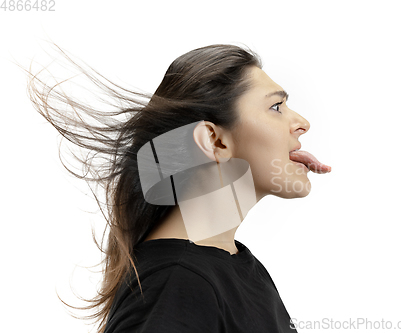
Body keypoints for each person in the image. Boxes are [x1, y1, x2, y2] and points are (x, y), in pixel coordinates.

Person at [27, 43, 331, 332]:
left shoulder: (237, 268)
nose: (302, 122)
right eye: (276, 107)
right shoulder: (178, 281)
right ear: (214, 140)